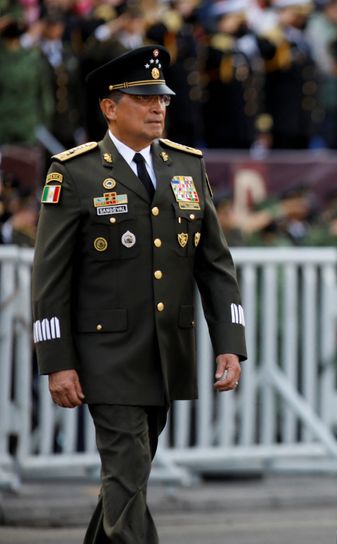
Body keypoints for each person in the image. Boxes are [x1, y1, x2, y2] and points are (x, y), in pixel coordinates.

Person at [30, 45, 247, 544]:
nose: (158, 108)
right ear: (109, 107)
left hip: (166, 352)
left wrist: (230, 341)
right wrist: (56, 361)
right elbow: (50, 276)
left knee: (126, 482)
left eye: (163, 99)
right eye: (143, 98)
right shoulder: (75, 172)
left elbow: (215, 265)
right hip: (105, 355)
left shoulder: (186, 166)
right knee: (128, 476)